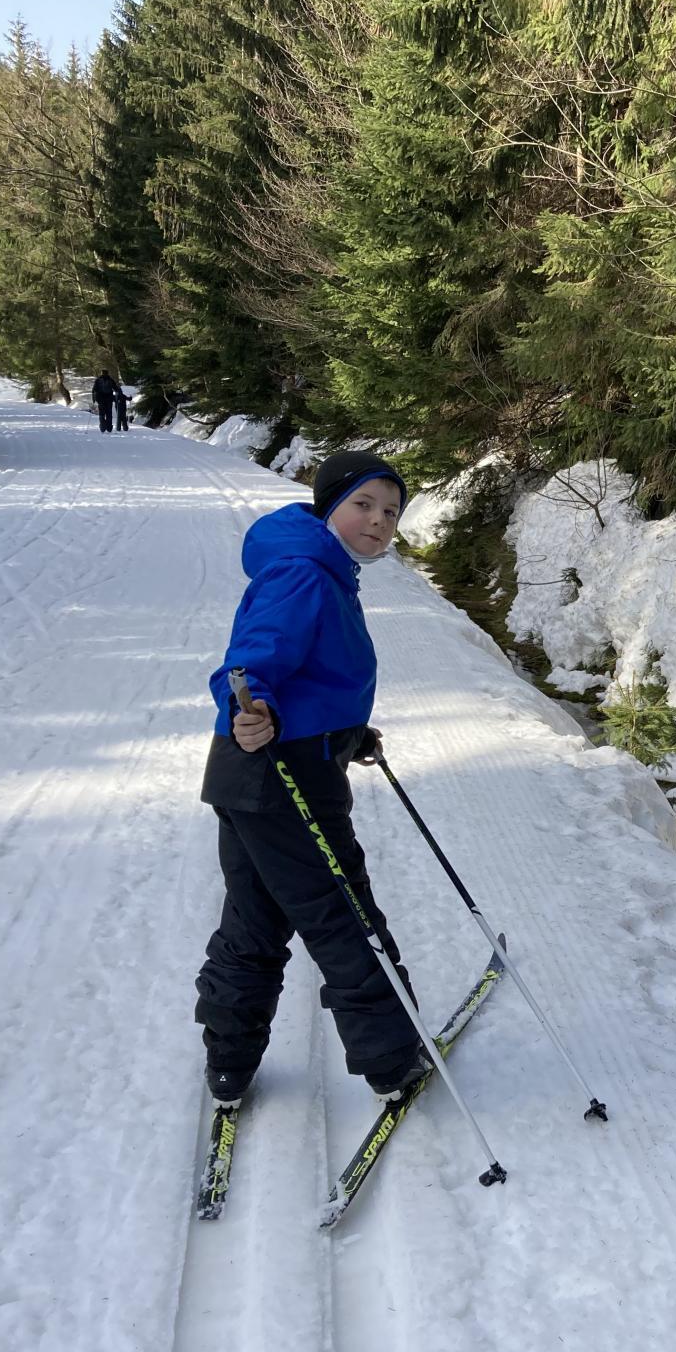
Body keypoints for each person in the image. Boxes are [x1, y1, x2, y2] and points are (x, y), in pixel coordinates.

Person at [194, 451, 424, 1110]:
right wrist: (252, 710)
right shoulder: (305, 572)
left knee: (256, 918)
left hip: (253, 775)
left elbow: (313, 676)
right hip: (282, 775)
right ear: (328, 505)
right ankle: (394, 1059)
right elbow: (249, 663)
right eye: (363, 504)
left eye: (390, 511)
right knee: (343, 913)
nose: (378, 521)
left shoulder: (320, 568)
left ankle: (228, 1062)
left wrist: (347, 733)